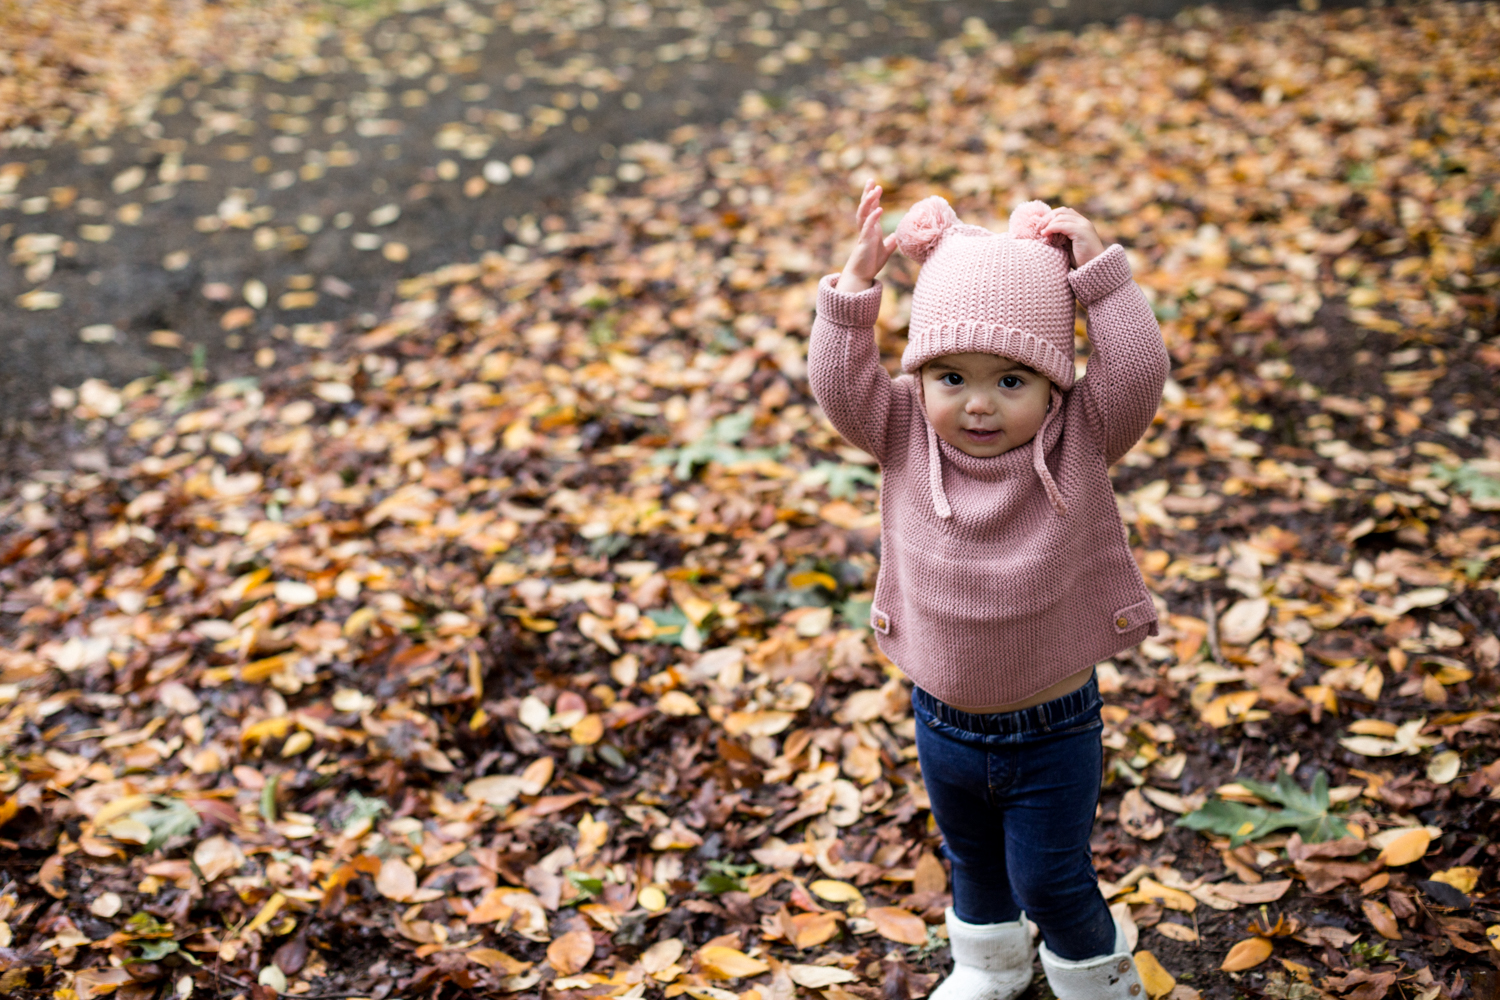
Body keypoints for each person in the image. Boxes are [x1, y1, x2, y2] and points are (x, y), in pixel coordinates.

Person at [808, 179, 1169, 1000]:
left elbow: (1140, 370)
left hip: (1052, 728)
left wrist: (1102, 279)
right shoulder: (899, 426)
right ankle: (989, 966)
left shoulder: (1083, 433)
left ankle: (1100, 982)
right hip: (941, 718)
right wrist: (855, 290)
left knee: (1051, 879)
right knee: (970, 861)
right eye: (952, 377)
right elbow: (838, 384)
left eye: (1012, 380)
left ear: (1053, 383)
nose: (977, 404)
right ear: (921, 375)